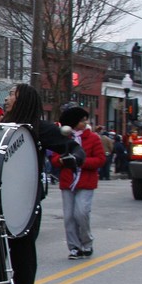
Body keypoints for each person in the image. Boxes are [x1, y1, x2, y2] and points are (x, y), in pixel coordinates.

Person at [0, 84, 85, 284]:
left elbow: (74, 149)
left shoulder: (38, 129)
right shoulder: (0, 126)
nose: (9, 98)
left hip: (24, 207)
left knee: (22, 263)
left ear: (24, 101)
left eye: (13, 95)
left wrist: (73, 159)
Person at [50, 106, 105, 260]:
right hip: (68, 182)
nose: (85, 123)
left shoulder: (93, 138)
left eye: (85, 120)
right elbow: (54, 158)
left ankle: (87, 243)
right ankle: (74, 247)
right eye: (81, 120)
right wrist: (62, 161)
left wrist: (79, 161)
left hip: (85, 181)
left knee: (81, 213)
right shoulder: (63, 138)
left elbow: (100, 159)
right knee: (68, 217)